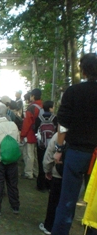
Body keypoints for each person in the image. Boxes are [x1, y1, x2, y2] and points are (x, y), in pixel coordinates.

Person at [51, 53, 97, 235]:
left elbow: (63, 124)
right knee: (95, 202)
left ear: (83, 70)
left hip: (76, 152)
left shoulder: (73, 92)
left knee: (67, 200)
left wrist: (59, 149)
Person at [39, 133, 64, 235]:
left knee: (54, 202)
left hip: (58, 173)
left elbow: (49, 154)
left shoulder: (59, 136)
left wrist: (47, 170)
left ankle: (49, 226)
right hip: (75, 175)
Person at [34, 100, 58, 192]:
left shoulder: (39, 118)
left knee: (41, 163)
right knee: (51, 164)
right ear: (50, 107)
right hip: (52, 145)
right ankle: (49, 185)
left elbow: (36, 130)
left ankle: (40, 185)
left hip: (41, 145)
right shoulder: (55, 118)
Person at [20, 88, 43, 180]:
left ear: (33, 96)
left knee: (29, 154)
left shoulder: (31, 107)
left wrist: (23, 134)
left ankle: (28, 173)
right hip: (40, 134)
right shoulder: (42, 106)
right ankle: (36, 172)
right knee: (35, 154)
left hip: (30, 134)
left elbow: (27, 123)